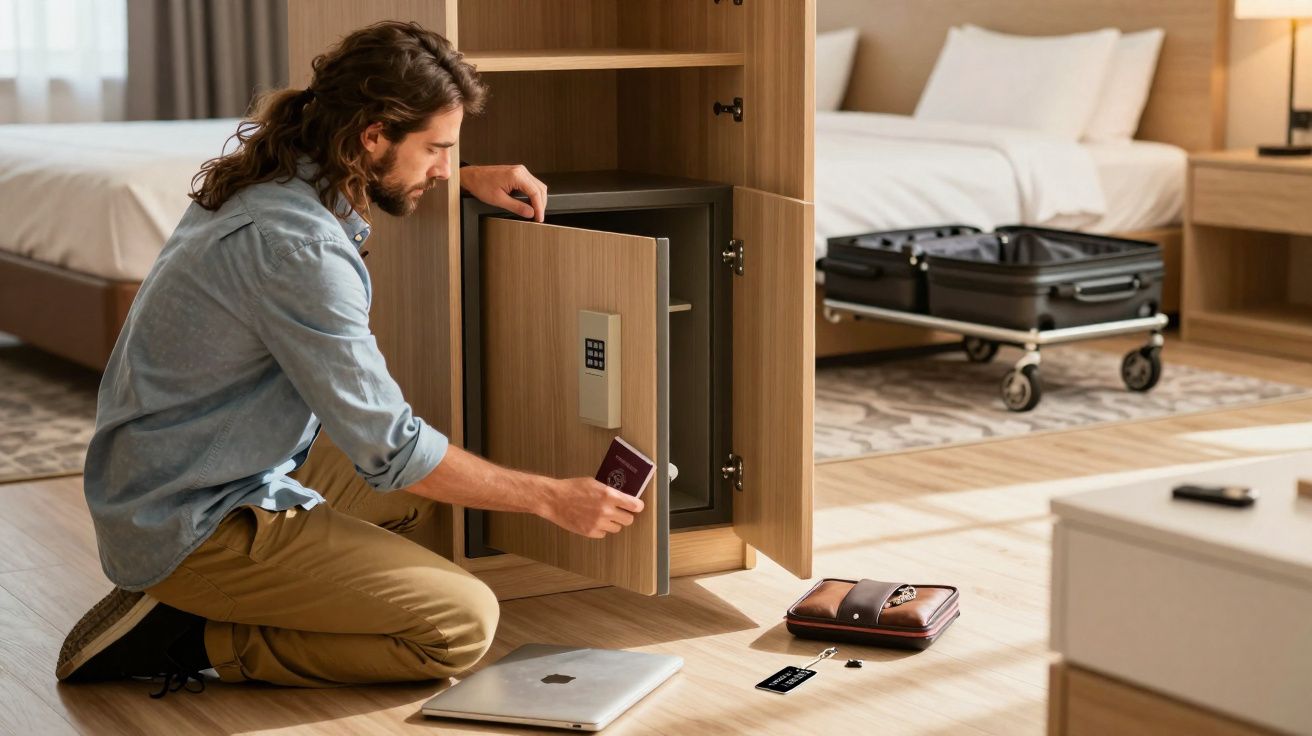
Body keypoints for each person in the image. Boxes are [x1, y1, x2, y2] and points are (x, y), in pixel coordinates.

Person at [56, 20, 644, 695]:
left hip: (181, 471)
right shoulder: (297, 247)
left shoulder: (278, 177)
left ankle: (227, 593)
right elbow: (393, 448)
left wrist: (460, 179)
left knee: (433, 500)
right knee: (460, 625)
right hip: (188, 515)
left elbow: (398, 463)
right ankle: (193, 636)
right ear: (373, 135)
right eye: (437, 149)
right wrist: (552, 500)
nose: (443, 167)